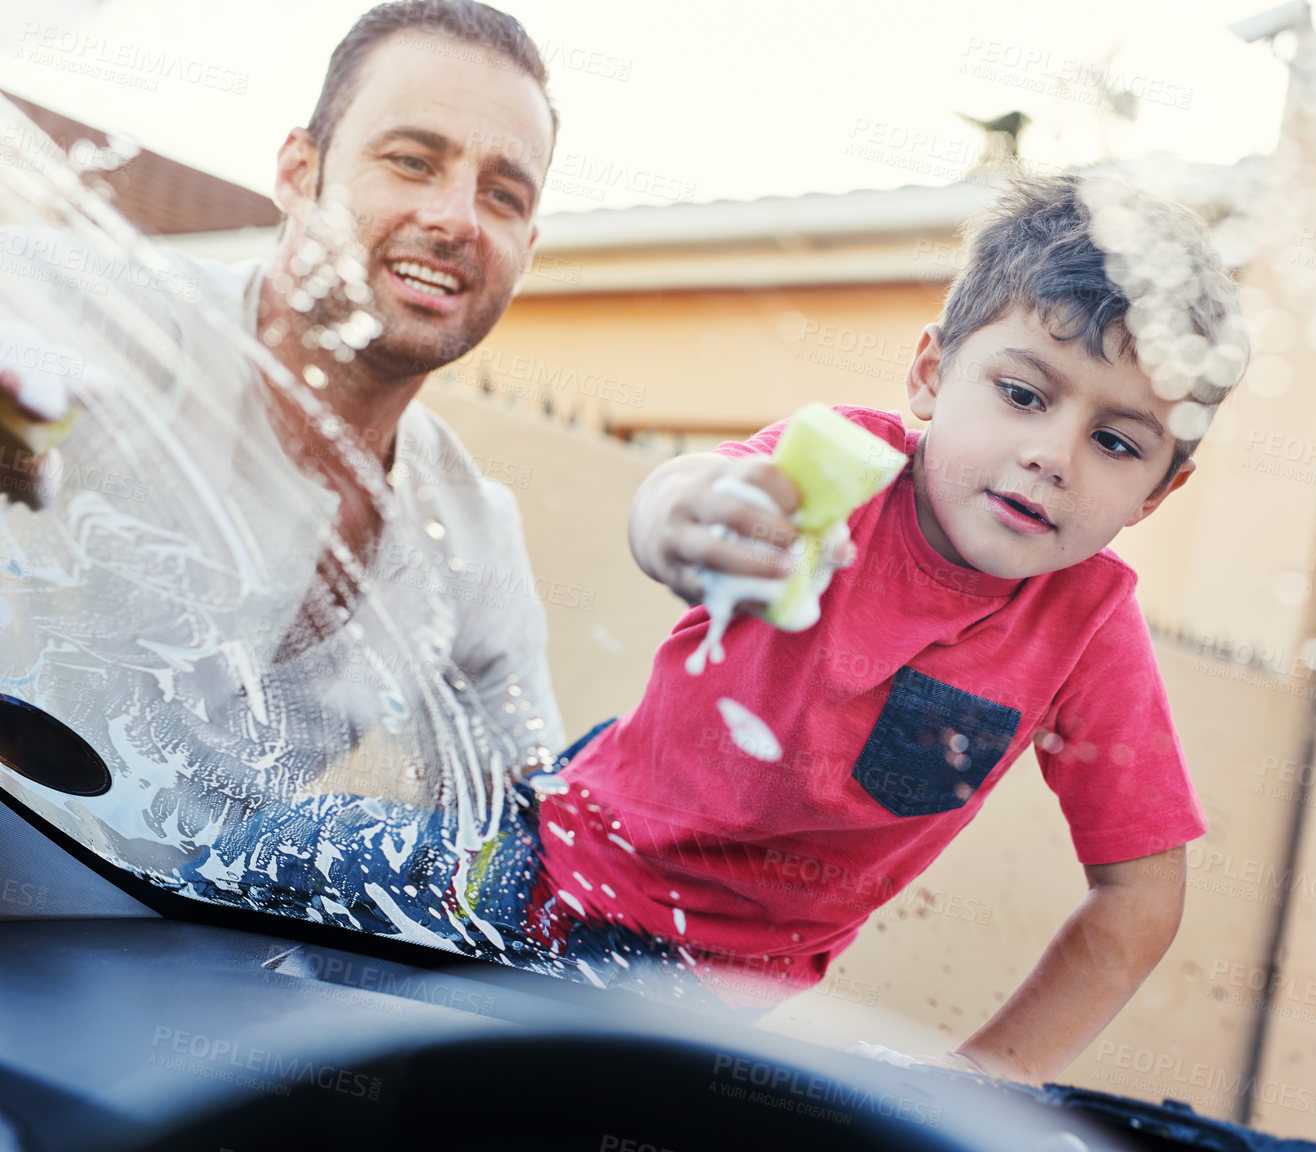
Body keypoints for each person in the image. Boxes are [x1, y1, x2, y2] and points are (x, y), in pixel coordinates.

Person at [520, 174, 1248, 1079]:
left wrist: (990, 1076)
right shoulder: (841, 476)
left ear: (1158, 491)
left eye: (1117, 443)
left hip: (726, 998)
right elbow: (683, 497)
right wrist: (682, 522)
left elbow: (1140, 896)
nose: (1051, 455)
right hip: (548, 864)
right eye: (1023, 394)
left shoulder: (1086, 628)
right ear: (931, 375)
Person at [0, 0, 569, 833]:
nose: (457, 219)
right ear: (300, 173)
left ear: (528, 248)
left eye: (504, 195)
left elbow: (541, 831)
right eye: (412, 160)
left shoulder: (471, 539)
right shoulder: (109, 322)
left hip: (177, 954)